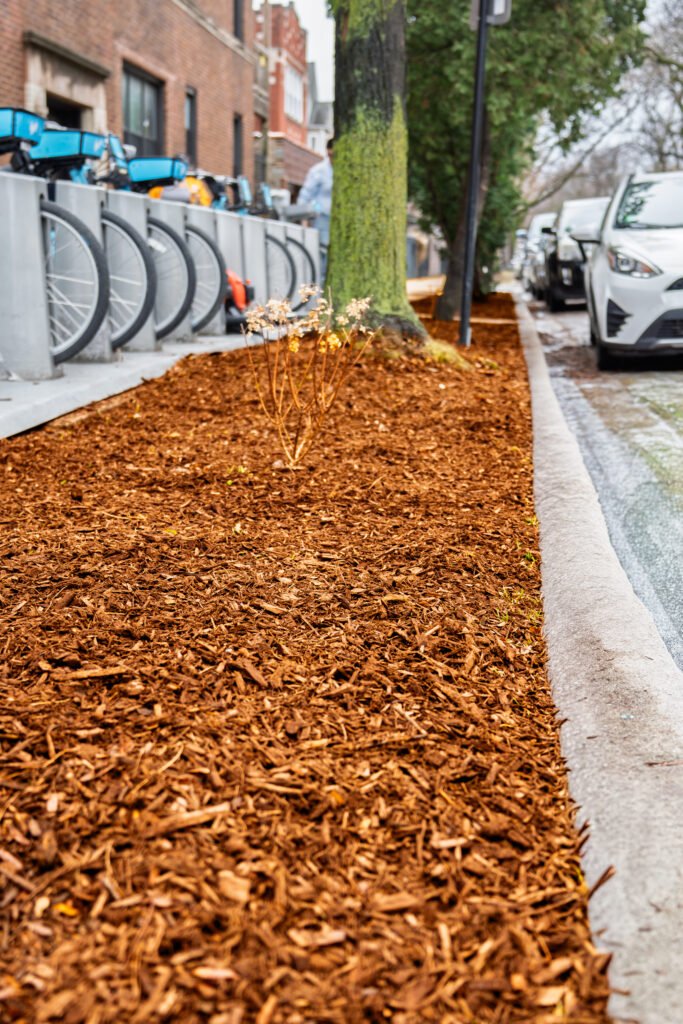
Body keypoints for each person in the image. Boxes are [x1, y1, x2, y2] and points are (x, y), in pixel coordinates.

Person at [299, 137, 333, 249]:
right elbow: (306, 194)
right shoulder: (318, 171)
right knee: (323, 250)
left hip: (338, 218)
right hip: (321, 218)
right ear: (328, 152)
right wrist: (303, 218)